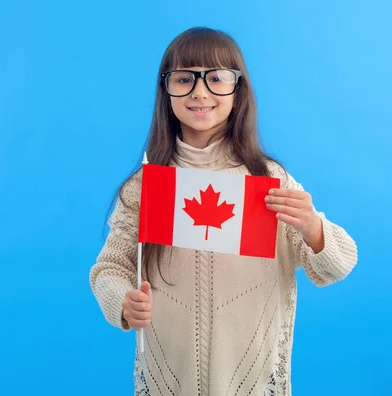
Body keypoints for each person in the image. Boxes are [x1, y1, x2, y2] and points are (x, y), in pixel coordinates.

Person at [89, 26, 358, 396]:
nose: (200, 92)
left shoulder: (268, 180)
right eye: (185, 79)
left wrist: (313, 228)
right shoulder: (145, 186)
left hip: (253, 378)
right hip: (169, 378)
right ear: (166, 90)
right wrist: (122, 301)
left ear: (238, 89)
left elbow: (336, 265)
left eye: (216, 78)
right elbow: (109, 268)